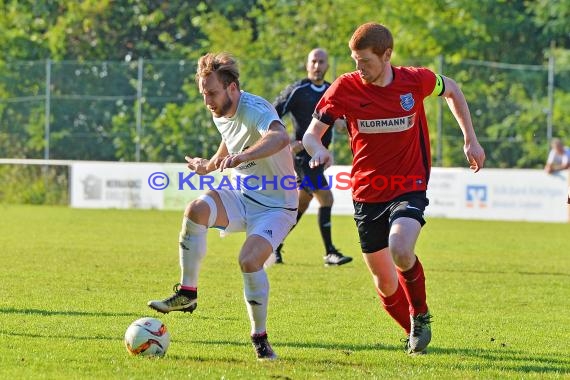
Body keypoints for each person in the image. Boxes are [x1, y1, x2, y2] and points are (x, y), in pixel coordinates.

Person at [302, 22, 485, 355]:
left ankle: (421, 314)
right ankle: (413, 330)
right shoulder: (345, 87)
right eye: (355, 61)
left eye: (366, 62)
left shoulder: (415, 81)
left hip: (408, 184)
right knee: (385, 284)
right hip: (366, 193)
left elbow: (453, 89)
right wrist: (319, 150)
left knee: (401, 248)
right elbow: (311, 134)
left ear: (387, 55)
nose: (359, 69)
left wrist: (470, 139)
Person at [147, 52, 298, 360]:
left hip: (277, 204)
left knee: (248, 261)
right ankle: (187, 294)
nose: (207, 102)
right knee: (196, 210)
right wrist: (210, 165)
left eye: (212, 93)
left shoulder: (256, 108)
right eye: (204, 94)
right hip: (240, 194)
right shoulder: (220, 111)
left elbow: (280, 137)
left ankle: (260, 337)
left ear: (232, 88)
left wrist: (242, 158)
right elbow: (230, 138)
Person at [272, 48, 352, 266]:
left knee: (300, 206)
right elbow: (271, 114)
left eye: (321, 62)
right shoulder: (298, 90)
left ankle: (272, 246)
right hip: (303, 158)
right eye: (313, 62)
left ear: (327, 65)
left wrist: (342, 124)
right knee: (327, 198)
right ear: (307, 65)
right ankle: (330, 253)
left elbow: (342, 122)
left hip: (318, 158)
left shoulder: (331, 90)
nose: (317, 66)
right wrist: (288, 143)